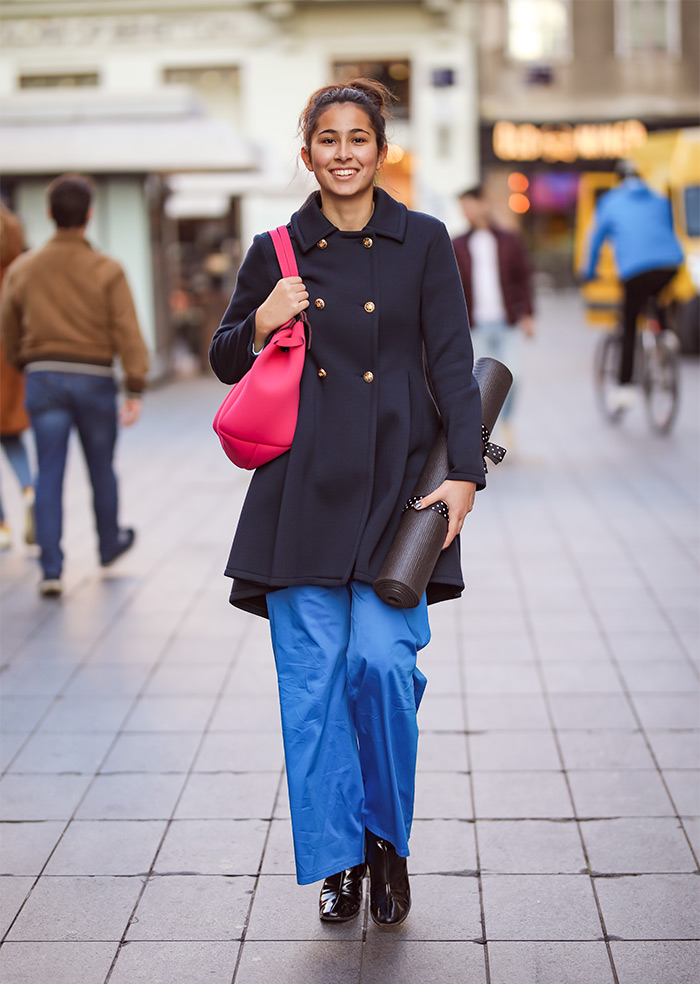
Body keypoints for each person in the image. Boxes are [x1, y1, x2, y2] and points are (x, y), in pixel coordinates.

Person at [209, 79, 485, 928]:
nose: (342, 153)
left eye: (357, 138)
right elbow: (224, 360)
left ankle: (385, 840)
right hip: (301, 498)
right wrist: (261, 318)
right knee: (312, 688)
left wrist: (466, 476)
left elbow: (453, 364)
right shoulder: (278, 248)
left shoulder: (426, 241)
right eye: (325, 139)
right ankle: (338, 863)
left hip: (403, 492)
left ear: (381, 148)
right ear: (306, 154)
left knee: (381, 667)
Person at [0, 174, 149, 597]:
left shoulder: (24, 269)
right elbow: (127, 330)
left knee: (48, 471)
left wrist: (23, 363)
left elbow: (8, 329)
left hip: (43, 377)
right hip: (95, 379)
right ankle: (108, 544)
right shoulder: (108, 268)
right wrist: (135, 386)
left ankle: (51, 567)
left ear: (48, 214)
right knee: (101, 468)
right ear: (89, 214)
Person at [581, 161, 683, 410]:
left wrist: (588, 272)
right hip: (671, 263)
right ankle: (665, 336)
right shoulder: (659, 198)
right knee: (656, 294)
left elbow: (595, 241)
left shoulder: (610, 201)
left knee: (629, 321)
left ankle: (625, 387)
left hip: (635, 268)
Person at [452, 184, 535, 446]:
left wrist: (528, 314)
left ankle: (506, 419)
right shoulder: (457, 244)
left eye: (470, 204)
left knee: (515, 376)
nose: (467, 211)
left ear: (483, 203)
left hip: (506, 320)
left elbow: (523, 278)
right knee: (480, 384)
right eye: (463, 207)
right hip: (474, 324)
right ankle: (489, 437)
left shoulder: (509, 240)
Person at [0, 202, 35, 550]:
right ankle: (28, 490)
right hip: (11, 365)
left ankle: (1, 527)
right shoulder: (18, 270)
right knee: (11, 440)